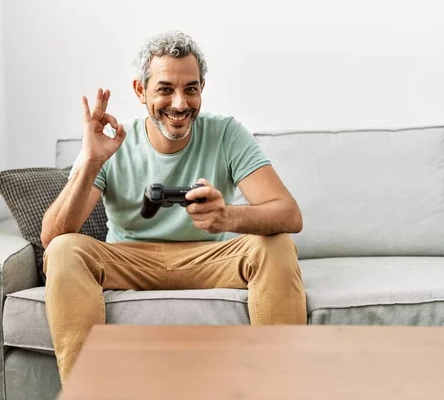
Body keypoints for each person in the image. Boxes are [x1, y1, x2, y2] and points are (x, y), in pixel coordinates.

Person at [40, 30, 307, 385]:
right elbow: (52, 236)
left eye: (191, 89)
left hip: (208, 260)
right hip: (129, 260)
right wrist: (90, 161)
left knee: (277, 243)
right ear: (140, 91)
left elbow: (289, 214)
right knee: (64, 249)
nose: (180, 104)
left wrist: (226, 215)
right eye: (165, 89)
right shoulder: (113, 143)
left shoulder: (226, 133)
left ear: (201, 89)